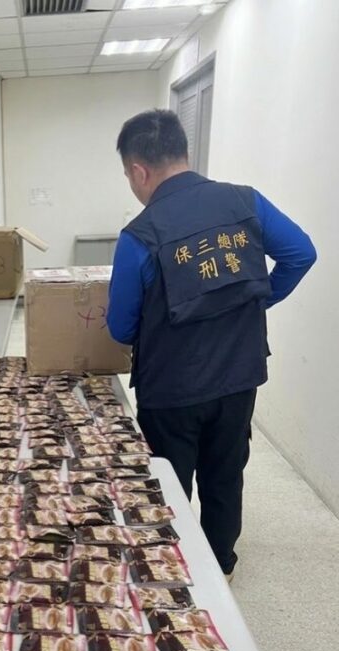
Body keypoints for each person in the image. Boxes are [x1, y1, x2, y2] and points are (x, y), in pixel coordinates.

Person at [107, 109, 316, 579]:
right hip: (238, 377)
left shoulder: (140, 235)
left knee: (169, 482)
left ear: (138, 170)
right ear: (183, 152)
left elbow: (120, 328)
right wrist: (255, 301)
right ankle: (220, 565)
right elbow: (301, 253)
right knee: (225, 473)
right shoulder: (246, 202)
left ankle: (175, 572)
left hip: (171, 390)